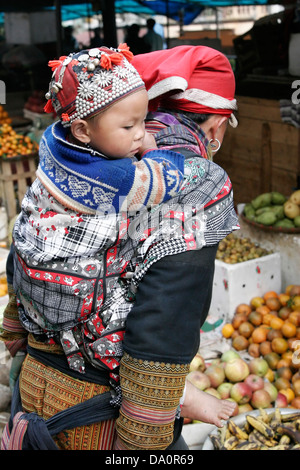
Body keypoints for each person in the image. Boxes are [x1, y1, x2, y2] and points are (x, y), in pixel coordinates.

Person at [0, 45, 239, 451]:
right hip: (95, 418)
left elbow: (24, 247)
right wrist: (141, 442)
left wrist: (17, 332)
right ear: (216, 125)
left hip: (35, 387)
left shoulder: (68, 156)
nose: (141, 136)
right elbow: (160, 330)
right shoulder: (183, 186)